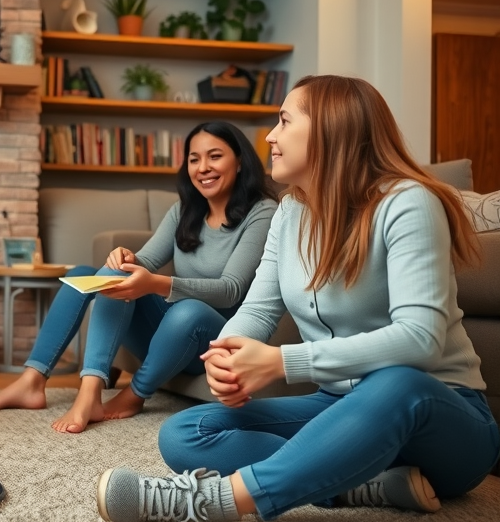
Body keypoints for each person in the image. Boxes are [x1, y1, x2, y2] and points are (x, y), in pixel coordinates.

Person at [97, 75, 499, 522]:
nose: (271, 136)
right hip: (338, 409)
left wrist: (281, 362)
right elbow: (258, 308)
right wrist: (225, 356)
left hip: (441, 420)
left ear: (330, 128)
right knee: (187, 431)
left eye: (285, 121)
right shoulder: (290, 211)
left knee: (396, 381)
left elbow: (420, 340)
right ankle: (354, 484)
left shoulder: (407, 202)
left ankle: (217, 501)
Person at [0, 121, 277, 434]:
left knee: (188, 311)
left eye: (215, 156)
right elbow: (147, 260)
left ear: (240, 161)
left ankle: (135, 393)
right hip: (168, 334)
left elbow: (230, 290)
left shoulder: (262, 212)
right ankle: (40, 382)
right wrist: (126, 259)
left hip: (212, 340)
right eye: (194, 159)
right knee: (88, 273)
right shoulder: (185, 210)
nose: (203, 168)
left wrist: (154, 283)